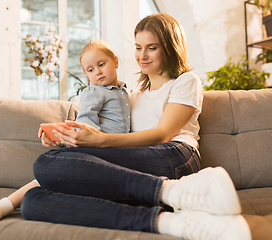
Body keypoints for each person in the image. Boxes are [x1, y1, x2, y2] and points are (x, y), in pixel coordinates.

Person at [18, 13, 251, 240]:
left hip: (175, 155)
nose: (142, 55)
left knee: (45, 163)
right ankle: (170, 220)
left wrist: (100, 140)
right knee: (33, 201)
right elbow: (105, 131)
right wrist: (63, 138)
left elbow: (162, 134)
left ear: (170, 47)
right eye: (138, 47)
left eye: (152, 47)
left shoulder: (185, 82)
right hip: (138, 168)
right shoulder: (130, 98)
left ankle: (175, 191)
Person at [0, 40, 131, 224]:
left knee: (61, 182)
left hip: (113, 149)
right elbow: (85, 121)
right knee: (50, 177)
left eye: (101, 64)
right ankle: (5, 204)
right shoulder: (95, 92)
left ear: (115, 62)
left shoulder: (122, 91)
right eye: (90, 70)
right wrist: (94, 142)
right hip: (95, 148)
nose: (97, 72)